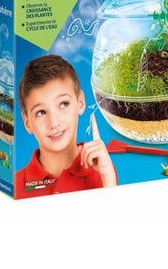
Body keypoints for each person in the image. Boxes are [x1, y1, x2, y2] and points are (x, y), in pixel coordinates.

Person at [15, 55, 117, 198]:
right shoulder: (15, 185)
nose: (54, 123)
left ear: (80, 102)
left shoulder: (103, 171)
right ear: (27, 122)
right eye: (41, 112)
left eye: (63, 104)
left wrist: (108, 177)